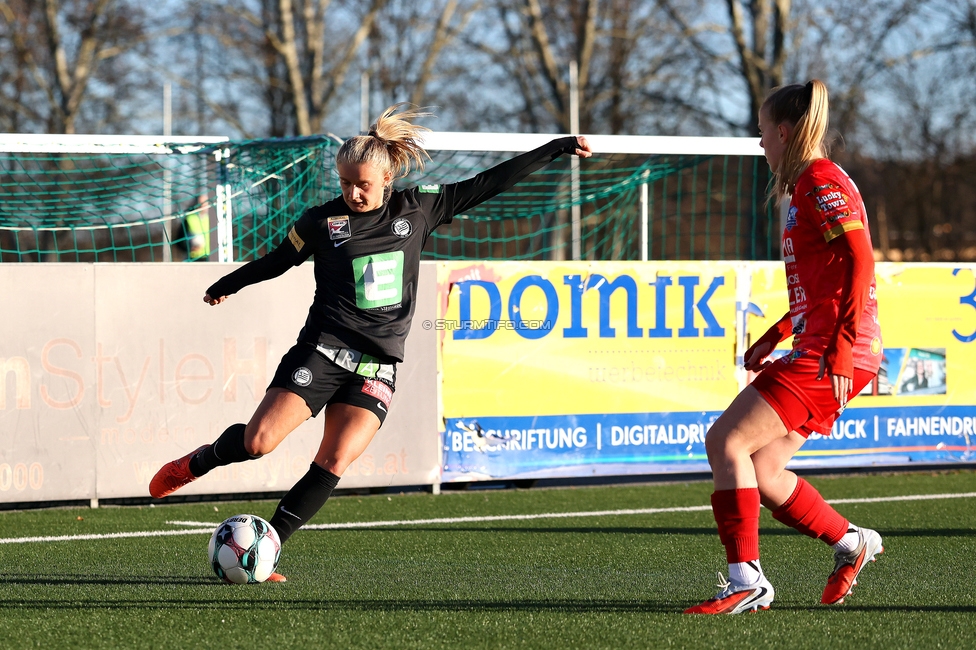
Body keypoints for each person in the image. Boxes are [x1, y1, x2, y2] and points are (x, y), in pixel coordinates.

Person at [148, 103, 593, 581]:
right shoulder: (321, 222)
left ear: (387, 177)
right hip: (321, 352)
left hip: (378, 368)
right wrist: (228, 284)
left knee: (334, 460)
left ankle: (269, 550)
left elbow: (489, 184)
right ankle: (196, 462)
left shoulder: (420, 207)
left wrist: (555, 148)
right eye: (345, 183)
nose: (353, 193)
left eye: (362, 184)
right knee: (258, 443)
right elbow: (276, 261)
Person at [684, 80, 884, 614]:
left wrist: (839, 349)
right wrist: (776, 334)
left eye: (761, 133)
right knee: (764, 471)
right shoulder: (806, 187)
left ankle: (745, 581)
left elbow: (863, 261)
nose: (759, 144)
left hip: (833, 352)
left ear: (783, 131)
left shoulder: (819, 180)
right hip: (827, 346)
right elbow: (824, 284)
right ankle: (851, 543)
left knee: (726, 441)